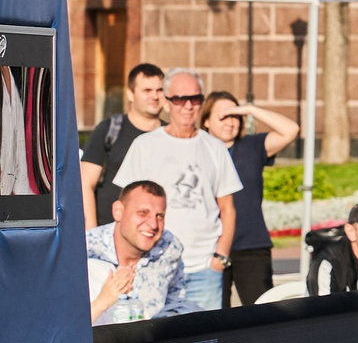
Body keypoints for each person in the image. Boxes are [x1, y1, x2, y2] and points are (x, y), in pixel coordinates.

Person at [111, 69, 239, 313]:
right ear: (167, 103)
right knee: (156, 342)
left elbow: (228, 208)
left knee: (204, 342)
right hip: (155, 264)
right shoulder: (145, 146)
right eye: (179, 99)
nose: (188, 106)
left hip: (204, 268)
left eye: (195, 99)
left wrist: (220, 258)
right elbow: (126, 208)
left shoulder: (215, 148)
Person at [204, 90, 296, 306]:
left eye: (236, 116)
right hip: (210, 247)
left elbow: (291, 130)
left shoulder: (252, 146)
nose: (230, 122)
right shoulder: (199, 149)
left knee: (262, 315)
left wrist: (250, 109)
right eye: (223, 115)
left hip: (252, 246)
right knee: (213, 319)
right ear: (206, 120)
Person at [80, 61, 165, 229]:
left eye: (160, 90)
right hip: (110, 232)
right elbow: (85, 184)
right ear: (130, 94)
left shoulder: (169, 135)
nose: (155, 97)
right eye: (147, 90)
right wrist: (91, 233)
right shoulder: (109, 130)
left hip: (155, 233)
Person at [86, 179, 184, 324]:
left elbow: (176, 302)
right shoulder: (86, 249)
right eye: (143, 213)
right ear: (118, 212)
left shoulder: (169, 247)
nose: (153, 224)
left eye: (160, 216)